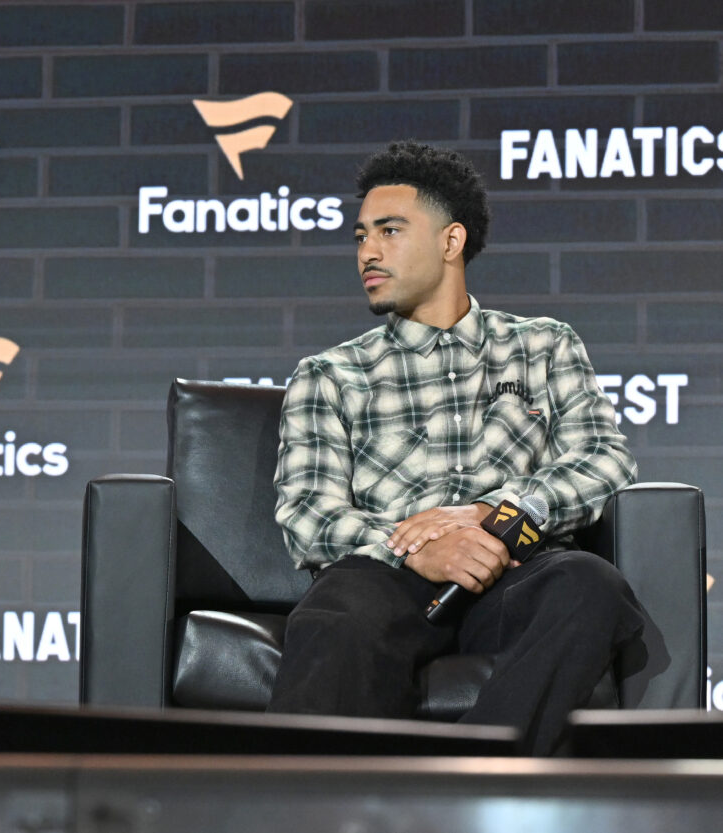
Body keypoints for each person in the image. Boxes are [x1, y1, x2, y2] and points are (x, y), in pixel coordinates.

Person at [266, 141, 646, 754]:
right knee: (333, 616)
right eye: (361, 235)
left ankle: (476, 779)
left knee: (589, 586)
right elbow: (309, 514)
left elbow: (605, 458)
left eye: (390, 231)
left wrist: (491, 514)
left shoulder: (544, 346)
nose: (367, 251)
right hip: (387, 578)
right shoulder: (330, 374)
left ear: (451, 241)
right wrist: (420, 548)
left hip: (514, 570)